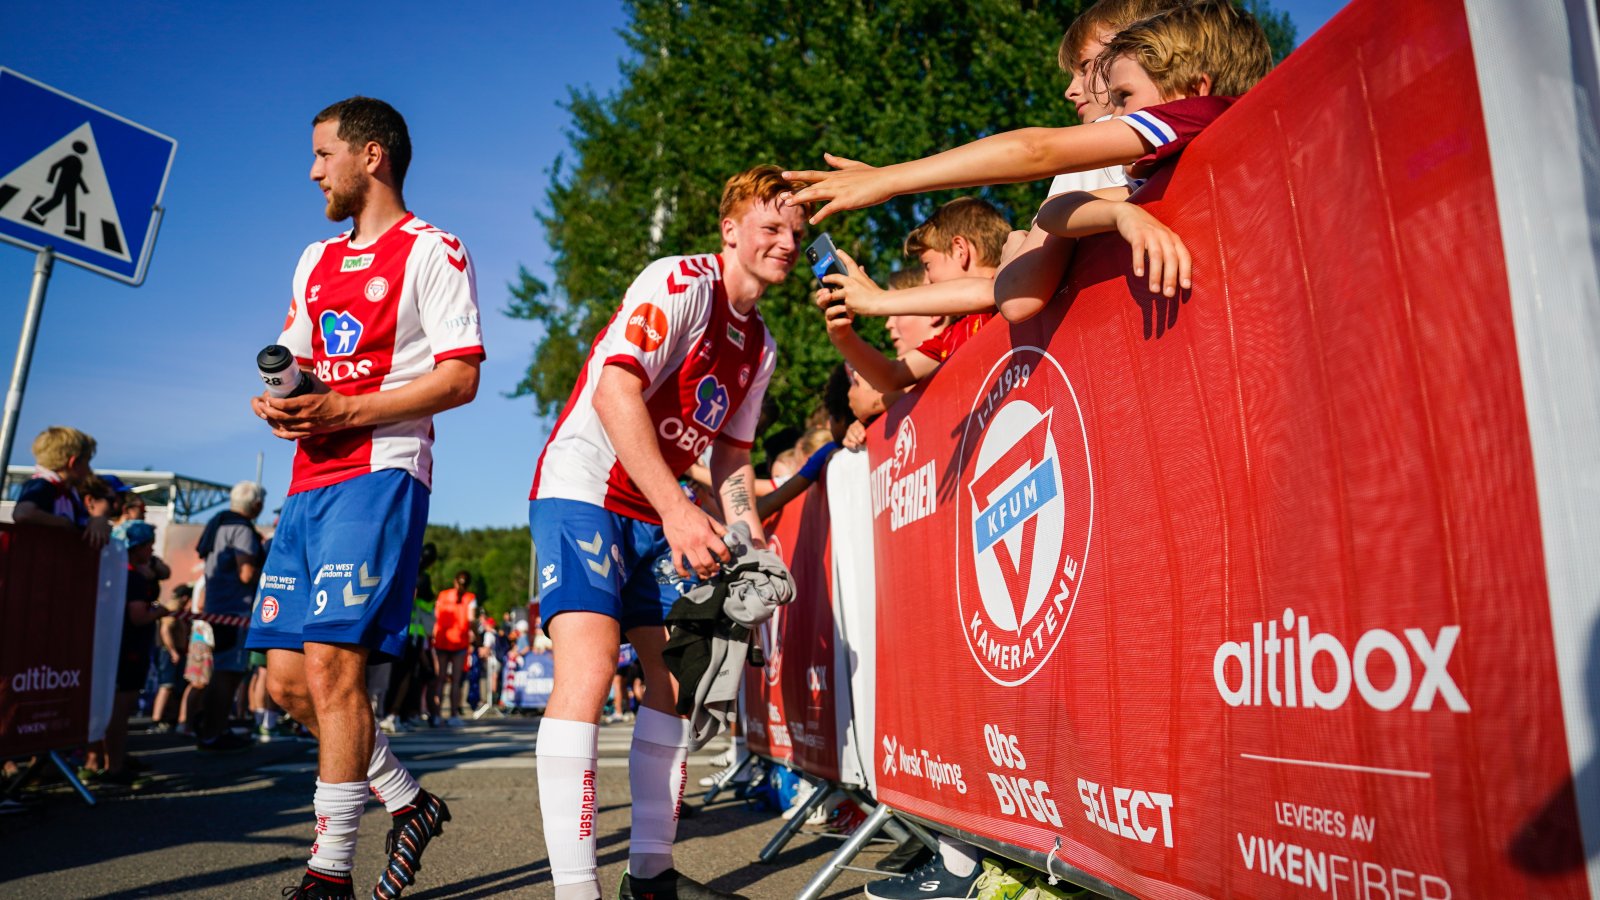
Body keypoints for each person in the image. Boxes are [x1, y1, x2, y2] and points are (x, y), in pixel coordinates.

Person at [527, 164, 808, 900]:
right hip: (586, 484)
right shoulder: (680, 282)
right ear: (731, 230)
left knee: (675, 683)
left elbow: (732, 458)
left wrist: (750, 544)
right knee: (587, 673)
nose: (787, 241)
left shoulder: (764, 345)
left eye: (797, 231)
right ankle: (575, 889)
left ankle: (649, 876)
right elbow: (615, 387)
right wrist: (681, 509)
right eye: (771, 226)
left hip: (658, 505)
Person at [246, 96, 484, 900]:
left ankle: (328, 873)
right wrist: (281, 399)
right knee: (283, 684)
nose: (313, 171)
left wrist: (347, 408)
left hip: (381, 469)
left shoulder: (434, 249)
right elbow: (302, 357)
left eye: (322, 154)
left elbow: (461, 376)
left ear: (371, 156)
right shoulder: (314, 258)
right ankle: (409, 802)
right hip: (309, 477)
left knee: (332, 668)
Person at [784, 0, 1274, 301]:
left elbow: (1035, 150)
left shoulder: (1197, 113)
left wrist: (889, 179)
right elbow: (1059, 210)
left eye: (1124, 98)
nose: (1117, 115)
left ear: (1196, 88)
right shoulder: (1163, 160)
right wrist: (1125, 215)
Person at [819, 198, 1010, 395]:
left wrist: (876, 300)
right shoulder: (952, 335)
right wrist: (842, 336)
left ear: (959, 250)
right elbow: (891, 376)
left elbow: (987, 292)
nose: (926, 280)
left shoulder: (1011, 280)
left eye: (927, 265)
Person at [83, 521, 170, 785]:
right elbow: (138, 616)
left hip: (112, 649)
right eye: (149, 546)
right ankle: (114, 767)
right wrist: (161, 611)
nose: (152, 551)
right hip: (128, 651)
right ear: (138, 547)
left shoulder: (115, 571)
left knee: (103, 709)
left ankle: (94, 762)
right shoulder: (131, 576)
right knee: (119, 713)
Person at [192, 481, 266, 754]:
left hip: (217, 606)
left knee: (221, 671)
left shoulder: (218, 522)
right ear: (256, 505)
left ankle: (213, 729)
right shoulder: (242, 529)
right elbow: (246, 573)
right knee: (228, 673)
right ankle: (214, 732)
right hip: (235, 609)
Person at [12, 426, 109, 548]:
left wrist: (97, 520)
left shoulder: (70, 493)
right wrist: (63, 523)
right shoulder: (44, 485)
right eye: (87, 462)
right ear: (73, 463)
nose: (89, 469)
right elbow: (23, 513)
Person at [431, 570, 476, 726]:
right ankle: (453, 715)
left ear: (454, 581)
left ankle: (436, 715)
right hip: (459, 642)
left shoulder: (442, 595)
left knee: (441, 678)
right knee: (456, 681)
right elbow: (472, 620)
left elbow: (435, 616)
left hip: (442, 640)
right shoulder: (470, 598)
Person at [151, 584, 193, 732]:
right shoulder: (173, 607)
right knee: (167, 685)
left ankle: (169, 719)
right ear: (185, 597)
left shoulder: (176, 607)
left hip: (173, 651)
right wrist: (173, 651)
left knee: (173, 686)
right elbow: (165, 630)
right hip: (169, 651)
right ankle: (157, 720)